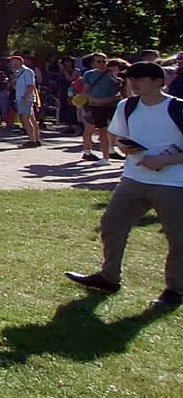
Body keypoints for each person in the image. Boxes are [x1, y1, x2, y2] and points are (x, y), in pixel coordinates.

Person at [66, 62, 183, 310]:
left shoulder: (177, 108)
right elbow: (118, 138)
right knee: (111, 224)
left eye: (140, 78)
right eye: (131, 78)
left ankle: (175, 289)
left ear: (158, 81)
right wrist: (125, 147)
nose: (133, 82)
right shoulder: (126, 106)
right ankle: (109, 277)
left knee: (178, 238)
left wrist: (164, 160)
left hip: (173, 183)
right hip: (134, 179)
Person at [81, 57, 124, 162]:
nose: (102, 64)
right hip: (95, 106)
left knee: (116, 130)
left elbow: (122, 88)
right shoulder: (89, 74)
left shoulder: (112, 73)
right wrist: (95, 100)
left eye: (104, 61)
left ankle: (110, 152)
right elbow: (85, 91)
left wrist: (111, 97)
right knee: (100, 130)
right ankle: (103, 156)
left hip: (112, 105)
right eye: (99, 61)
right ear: (93, 63)